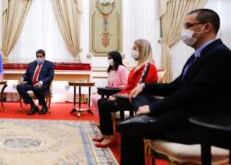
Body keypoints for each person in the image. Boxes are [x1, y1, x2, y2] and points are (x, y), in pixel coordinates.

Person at [117, 9, 231, 165]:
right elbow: (174, 86)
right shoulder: (199, 55)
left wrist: (153, 109)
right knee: (135, 113)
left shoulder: (219, 55)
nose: (184, 31)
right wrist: (145, 86)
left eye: (189, 25)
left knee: (130, 126)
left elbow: (191, 94)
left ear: (207, 27)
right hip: (187, 115)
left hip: (201, 124)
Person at [93, 39, 158, 148]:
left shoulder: (148, 66)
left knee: (104, 104)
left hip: (136, 99)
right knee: (101, 101)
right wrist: (115, 96)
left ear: (143, 50)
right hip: (128, 97)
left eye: (135, 48)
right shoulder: (136, 67)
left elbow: (138, 88)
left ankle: (110, 136)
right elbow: (129, 87)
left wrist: (118, 97)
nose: (132, 51)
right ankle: (106, 134)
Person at [16, 49, 54, 115]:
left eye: (40, 56)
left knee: (37, 87)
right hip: (31, 84)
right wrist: (22, 78)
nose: (38, 58)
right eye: (37, 56)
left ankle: (44, 106)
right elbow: (26, 75)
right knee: (19, 87)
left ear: (44, 57)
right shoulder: (31, 64)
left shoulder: (49, 64)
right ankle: (33, 106)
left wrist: (41, 82)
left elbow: (50, 76)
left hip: (42, 85)